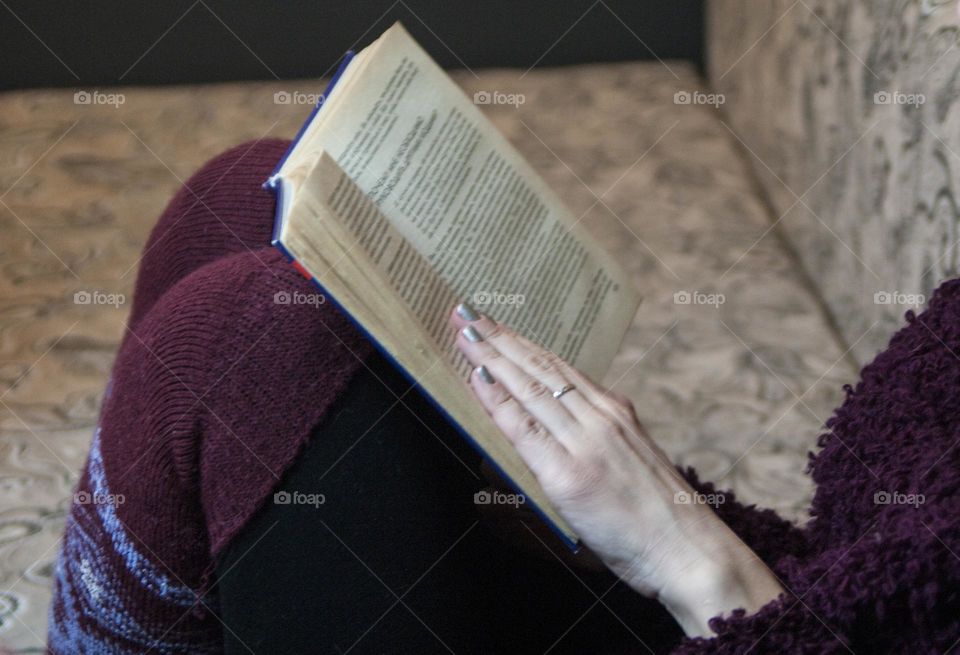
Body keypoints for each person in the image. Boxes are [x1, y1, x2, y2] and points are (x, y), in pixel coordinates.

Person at [49, 140, 960, 654]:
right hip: (825, 600)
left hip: (765, 630)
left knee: (254, 332)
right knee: (253, 196)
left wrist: (700, 567)